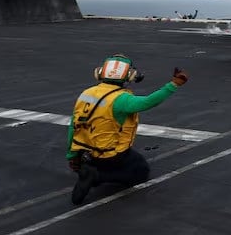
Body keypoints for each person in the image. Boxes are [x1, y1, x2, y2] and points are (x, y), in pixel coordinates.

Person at [67, 54, 189, 205]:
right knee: (141, 171)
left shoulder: (86, 93)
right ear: (129, 75)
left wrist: (72, 155)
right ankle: (97, 176)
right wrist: (174, 84)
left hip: (84, 151)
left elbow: (74, 125)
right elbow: (148, 102)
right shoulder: (121, 99)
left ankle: (88, 168)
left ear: (100, 72)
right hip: (107, 154)